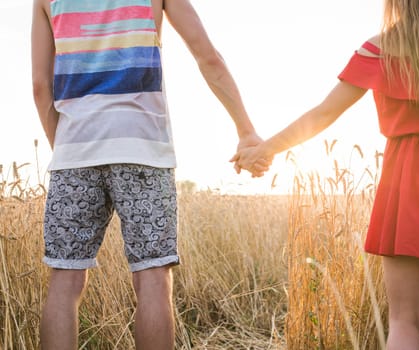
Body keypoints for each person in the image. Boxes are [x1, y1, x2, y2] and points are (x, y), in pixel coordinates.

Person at [231, 0, 419, 349]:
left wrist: (265, 149)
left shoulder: (382, 48)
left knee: (404, 319)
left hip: (408, 177)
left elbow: (324, 114)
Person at [31, 0, 266, 349]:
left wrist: (66, 149)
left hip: (74, 150)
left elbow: (40, 86)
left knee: (64, 281)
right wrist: (246, 131)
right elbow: (208, 57)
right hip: (143, 149)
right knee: (153, 277)